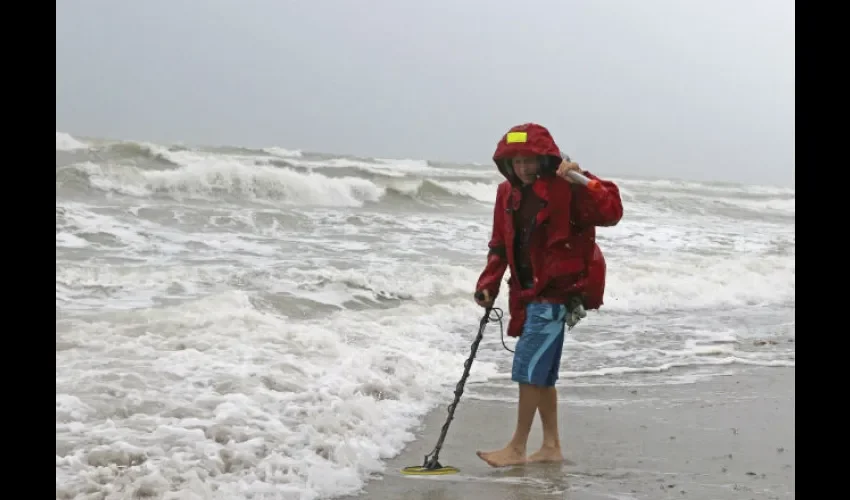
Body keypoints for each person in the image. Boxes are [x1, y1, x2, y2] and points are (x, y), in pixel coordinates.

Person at [474, 123, 623, 467]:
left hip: (557, 292)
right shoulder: (505, 194)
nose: (522, 168)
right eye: (515, 161)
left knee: (528, 369)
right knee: (542, 374)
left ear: (545, 159)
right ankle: (551, 446)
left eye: (529, 160)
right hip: (525, 294)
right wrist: (488, 284)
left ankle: (516, 447)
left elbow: (612, 212)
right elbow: (499, 245)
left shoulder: (566, 187)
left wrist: (583, 178)